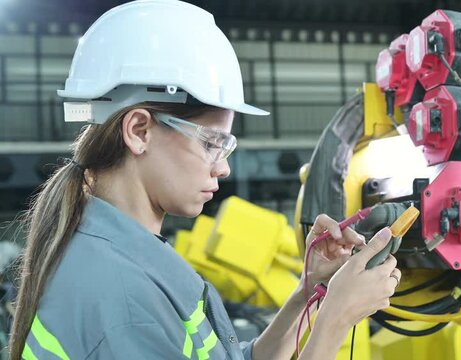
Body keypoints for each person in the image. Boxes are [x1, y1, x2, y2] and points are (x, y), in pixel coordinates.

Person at [8, 0, 401, 359]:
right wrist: (336, 319)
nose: (223, 167)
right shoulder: (121, 301)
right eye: (212, 142)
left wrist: (307, 293)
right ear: (139, 131)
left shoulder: (127, 256)